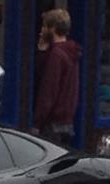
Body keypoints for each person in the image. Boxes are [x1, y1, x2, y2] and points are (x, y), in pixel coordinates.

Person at [32, 8, 82, 146]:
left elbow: (48, 90)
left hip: (51, 123)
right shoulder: (72, 52)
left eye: (44, 26)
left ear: (52, 28)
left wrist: (36, 123)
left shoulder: (56, 55)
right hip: (67, 121)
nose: (41, 30)